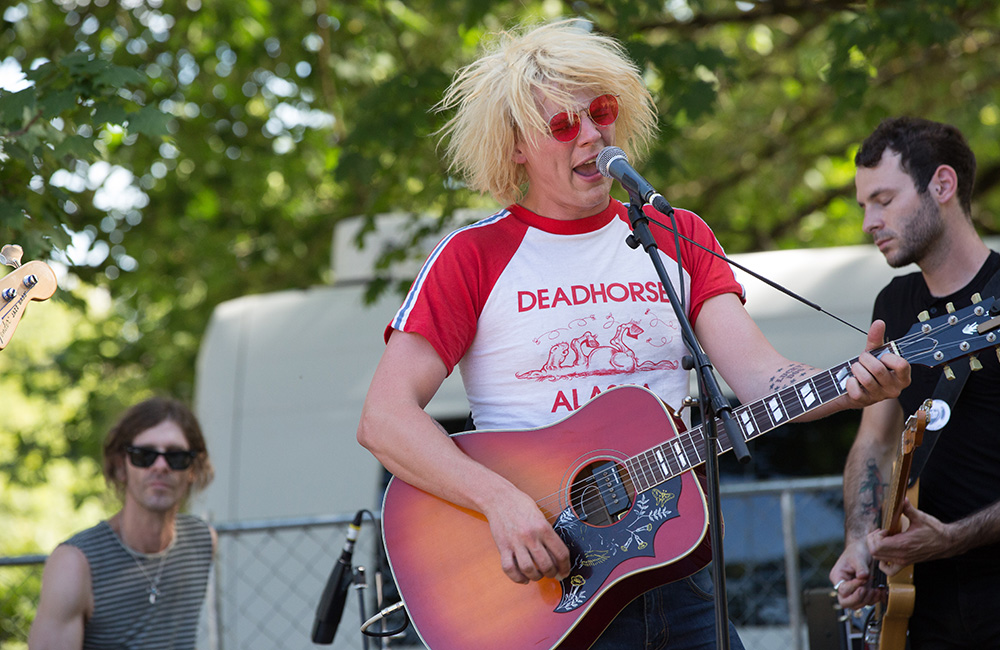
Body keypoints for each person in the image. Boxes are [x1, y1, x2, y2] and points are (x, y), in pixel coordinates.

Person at [357, 20, 909, 650]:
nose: (591, 135)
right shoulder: (472, 255)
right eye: (564, 125)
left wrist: (852, 386)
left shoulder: (678, 233)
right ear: (515, 147)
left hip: (679, 568)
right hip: (544, 585)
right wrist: (500, 503)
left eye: (600, 112)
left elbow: (764, 380)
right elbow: (384, 419)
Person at [829, 117, 1000, 648]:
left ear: (942, 186)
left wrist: (952, 539)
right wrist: (860, 542)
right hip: (917, 601)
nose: (868, 222)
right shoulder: (892, 304)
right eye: (863, 205)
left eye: (882, 199)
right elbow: (876, 439)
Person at [28, 397, 217, 650]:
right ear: (121, 467)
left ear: (193, 469)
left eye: (176, 456)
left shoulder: (202, 541)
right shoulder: (75, 564)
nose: (161, 466)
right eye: (145, 455)